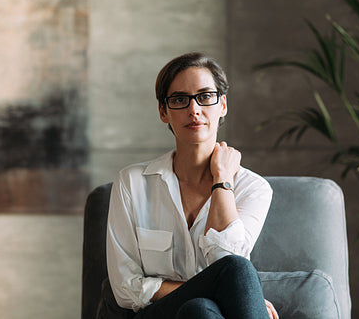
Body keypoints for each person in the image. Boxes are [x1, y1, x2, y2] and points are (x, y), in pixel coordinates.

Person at [104, 52, 278, 319]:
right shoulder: (132, 182)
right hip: (153, 316)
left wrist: (222, 181)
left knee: (200, 310)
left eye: (205, 96)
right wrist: (233, 292)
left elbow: (224, 258)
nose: (194, 110)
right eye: (179, 99)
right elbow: (126, 289)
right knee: (237, 272)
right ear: (164, 112)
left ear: (223, 105)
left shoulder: (253, 188)